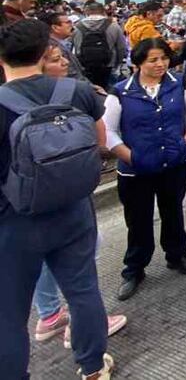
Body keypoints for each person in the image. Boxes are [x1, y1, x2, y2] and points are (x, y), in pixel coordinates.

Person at [0, 20, 116, 379]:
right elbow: (100, 144)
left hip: (12, 219)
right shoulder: (77, 91)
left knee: (9, 314)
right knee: (83, 290)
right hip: (73, 209)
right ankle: (93, 367)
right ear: (42, 52)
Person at [104, 38, 186, 302]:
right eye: (153, 60)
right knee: (138, 219)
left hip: (175, 162)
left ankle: (176, 254)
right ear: (138, 64)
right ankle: (135, 269)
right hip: (136, 171)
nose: (160, 64)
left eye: (164, 58)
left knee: (173, 210)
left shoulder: (179, 82)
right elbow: (109, 132)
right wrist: (131, 156)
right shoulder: (121, 92)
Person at [73, 2, 126, 90]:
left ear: (87, 12)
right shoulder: (113, 26)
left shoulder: (78, 27)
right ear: (103, 11)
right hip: (108, 64)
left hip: (85, 64)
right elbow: (121, 47)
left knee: (89, 90)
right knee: (108, 90)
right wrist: (118, 63)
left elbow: (76, 46)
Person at [42, 11, 87, 81]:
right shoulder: (52, 47)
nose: (72, 25)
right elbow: (71, 74)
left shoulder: (63, 44)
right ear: (55, 27)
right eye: (68, 22)